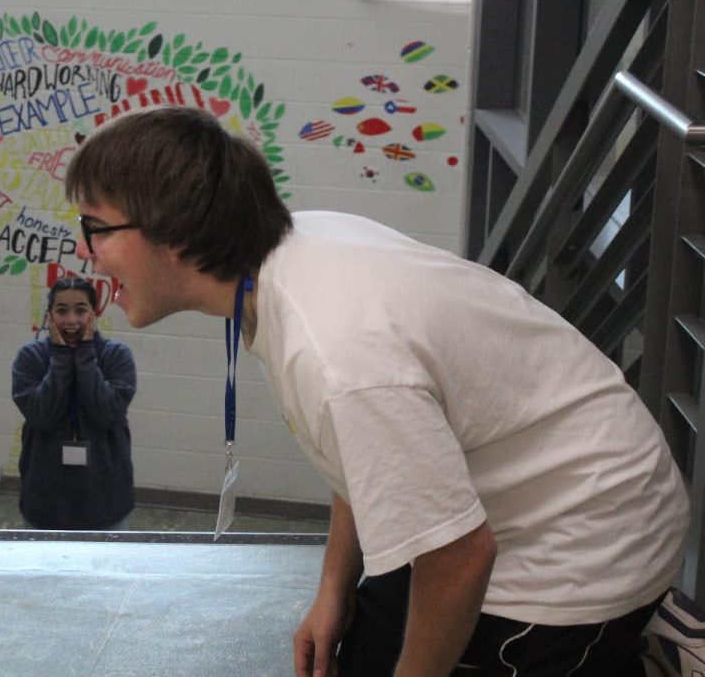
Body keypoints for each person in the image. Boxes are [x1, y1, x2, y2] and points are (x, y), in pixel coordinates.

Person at [64, 105, 689, 677]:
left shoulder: (336, 355)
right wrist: (334, 587)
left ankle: (640, 650)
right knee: (357, 653)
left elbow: (463, 557)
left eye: (97, 227)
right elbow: (370, 456)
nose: (85, 251)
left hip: (590, 551)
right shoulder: (296, 247)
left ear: (172, 234)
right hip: (526, 497)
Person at [11, 276, 137, 530]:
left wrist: (85, 355)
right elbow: (41, 415)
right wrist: (60, 359)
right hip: (44, 503)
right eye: (61, 311)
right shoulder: (30, 357)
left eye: (80, 310)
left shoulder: (116, 356)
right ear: (50, 316)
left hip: (106, 502)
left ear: (94, 313)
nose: (71, 320)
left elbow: (107, 413)